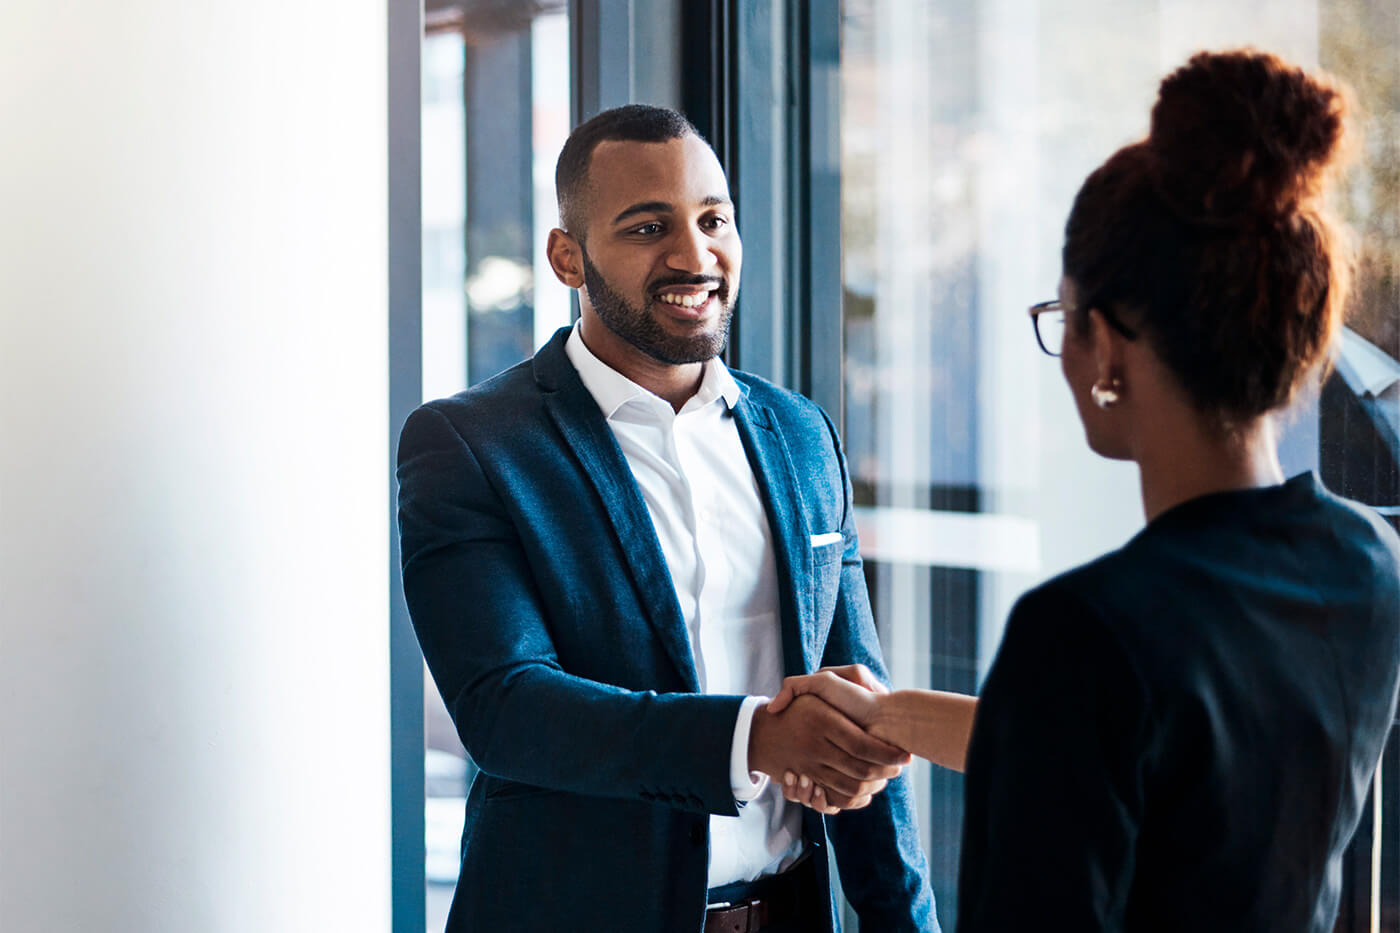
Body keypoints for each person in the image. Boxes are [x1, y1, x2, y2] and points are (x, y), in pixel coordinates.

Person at [770, 49, 1400, 931]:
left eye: (1061, 318)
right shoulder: (1367, 560)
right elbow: (1151, 746)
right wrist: (896, 715)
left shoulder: (1085, 629)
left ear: (1105, 346)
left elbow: (1102, 716)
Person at [396, 104, 937, 933]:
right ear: (567, 256)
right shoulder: (469, 444)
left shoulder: (801, 434)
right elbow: (508, 707)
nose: (695, 254)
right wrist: (753, 738)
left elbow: (853, 717)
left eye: (713, 218)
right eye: (649, 226)